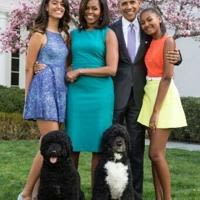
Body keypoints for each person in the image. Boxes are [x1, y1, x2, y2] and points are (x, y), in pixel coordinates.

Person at [109, 0, 182, 199]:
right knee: (110, 147)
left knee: (139, 150)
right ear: (119, 6)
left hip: (144, 97)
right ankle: (112, 193)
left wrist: (178, 56)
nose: (129, 6)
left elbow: (167, 54)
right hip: (120, 94)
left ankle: (136, 195)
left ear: (138, 3)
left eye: (132, 2)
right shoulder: (111, 29)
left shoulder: (147, 31)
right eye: (124, 3)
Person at [18, 0, 70, 199]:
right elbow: (29, 67)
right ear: (46, 7)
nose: (59, 6)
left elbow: (64, 64)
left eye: (62, 4)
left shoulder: (65, 36)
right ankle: (27, 193)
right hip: (43, 91)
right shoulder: (38, 35)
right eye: (54, 3)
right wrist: (28, 98)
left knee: (46, 145)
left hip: (59, 91)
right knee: (50, 143)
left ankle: (38, 193)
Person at [65, 0, 118, 188]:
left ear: (102, 11)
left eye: (94, 8)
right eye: (87, 8)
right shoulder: (73, 35)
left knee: (98, 147)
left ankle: (98, 193)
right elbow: (66, 62)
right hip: (76, 95)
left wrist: (80, 71)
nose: (90, 12)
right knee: (72, 146)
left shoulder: (108, 34)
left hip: (100, 95)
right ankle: (70, 191)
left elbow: (112, 69)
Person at [137, 8, 187, 200]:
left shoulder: (168, 40)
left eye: (150, 20)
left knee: (155, 154)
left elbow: (167, 77)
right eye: (143, 23)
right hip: (150, 93)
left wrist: (156, 111)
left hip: (163, 97)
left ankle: (167, 198)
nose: (147, 25)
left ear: (159, 18)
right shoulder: (150, 42)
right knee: (155, 156)